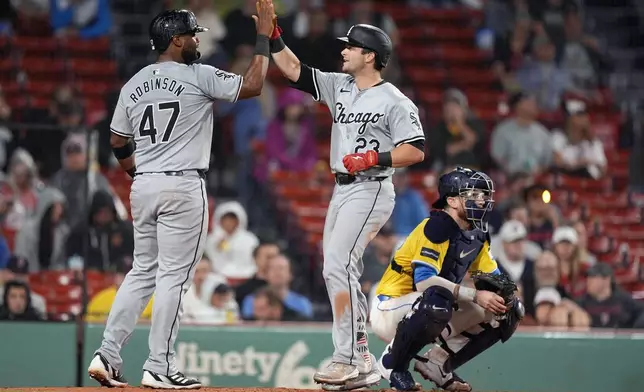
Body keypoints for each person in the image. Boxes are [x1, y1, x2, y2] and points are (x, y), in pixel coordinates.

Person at [86, 4, 276, 390]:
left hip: (145, 184)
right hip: (183, 184)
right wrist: (264, 37)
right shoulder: (198, 75)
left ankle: (107, 354)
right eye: (191, 34)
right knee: (174, 277)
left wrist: (137, 173)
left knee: (142, 272)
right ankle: (159, 365)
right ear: (175, 39)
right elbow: (253, 85)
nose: (196, 40)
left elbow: (117, 140)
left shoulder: (134, 82)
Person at [267, 18, 426, 390]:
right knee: (335, 269)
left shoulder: (395, 101)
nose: (343, 51)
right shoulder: (340, 85)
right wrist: (273, 37)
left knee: (338, 265)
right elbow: (293, 69)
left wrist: (375, 158)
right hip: (341, 189)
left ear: (369, 56)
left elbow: (415, 150)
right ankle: (363, 359)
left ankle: (348, 358)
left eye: (351, 47)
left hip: (370, 189)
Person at [369, 167, 524, 391]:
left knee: (506, 311)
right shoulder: (437, 226)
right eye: (472, 195)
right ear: (451, 201)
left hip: (428, 305)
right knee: (436, 300)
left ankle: (438, 364)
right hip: (390, 307)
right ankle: (392, 364)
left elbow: (492, 278)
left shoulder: (477, 232)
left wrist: (509, 297)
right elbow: (424, 281)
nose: (481, 200)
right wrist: (474, 294)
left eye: (482, 195)